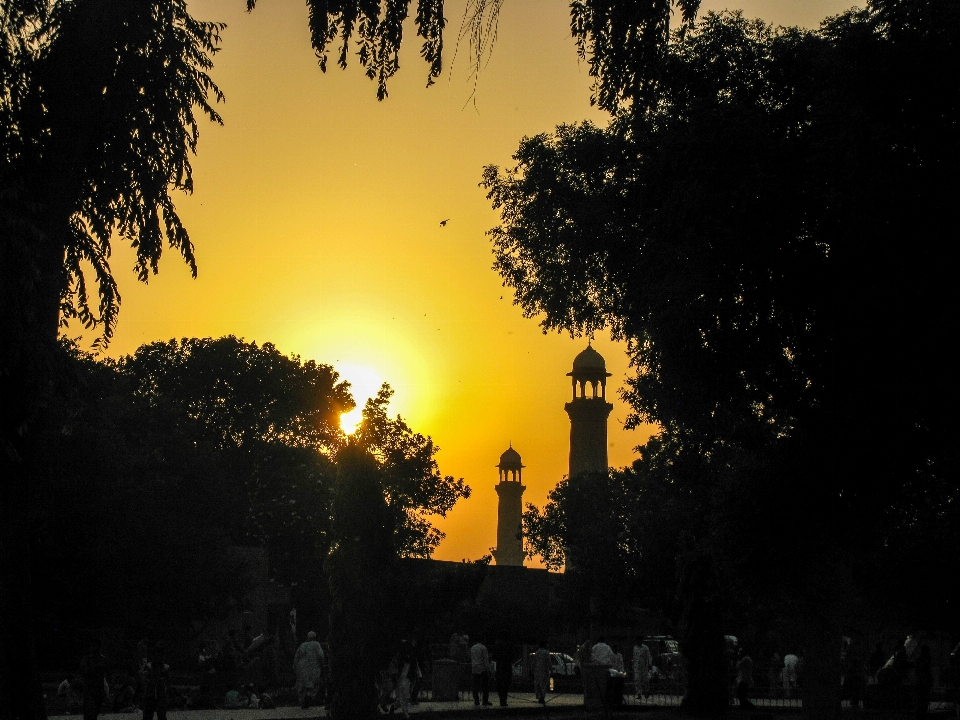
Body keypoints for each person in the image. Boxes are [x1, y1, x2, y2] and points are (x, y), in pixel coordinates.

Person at [293, 631, 326, 709]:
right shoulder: (316, 645)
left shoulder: (302, 645)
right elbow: (321, 656)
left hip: (301, 668)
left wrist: (295, 667)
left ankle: (303, 701)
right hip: (313, 667)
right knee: (313, 684)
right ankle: (309, 697)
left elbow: (296, 657)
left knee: (302, 685)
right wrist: (322, 665)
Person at [80, 639, 109, 720]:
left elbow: (107, 674)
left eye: (94, 646)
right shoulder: (87, 659)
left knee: (94, 712)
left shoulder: (102, 660)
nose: (91, 648)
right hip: (90, 689)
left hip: (97, 690)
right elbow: (84, 671)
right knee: (89, 713)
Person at [141, 643, 169, 720]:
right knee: (147, 716)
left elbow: (168, 682)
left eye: (159, 655)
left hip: (161, 695)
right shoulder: (148, 667)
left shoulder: (165, 668)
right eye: (156, 655)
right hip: (150, 695)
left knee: (162, 716)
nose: (158, 658)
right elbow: (144, 680)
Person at [491, 639, 514, 707]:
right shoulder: (510, 645)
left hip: (500, 666)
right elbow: (512, 656)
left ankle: (502, 699)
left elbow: (494, 656)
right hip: (507, 666)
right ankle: (504, 699)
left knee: (500, 683)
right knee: (506, 683)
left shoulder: (497, 646)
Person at [470, 638, 492, 706]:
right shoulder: (483, 648)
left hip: (474, 668)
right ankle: (485, 700)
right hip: (482, 668)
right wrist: (488, 669)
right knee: (485, 686)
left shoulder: (472, 648)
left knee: (475, 685)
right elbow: (485, 660)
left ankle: (476, 700)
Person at [914, 645, 933, 719]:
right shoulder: (924, 661)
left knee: (920, 703)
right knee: (922, 702)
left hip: (920, 683)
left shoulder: (919, 661)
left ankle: (919, 716)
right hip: (923, 684)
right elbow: (925, 672)